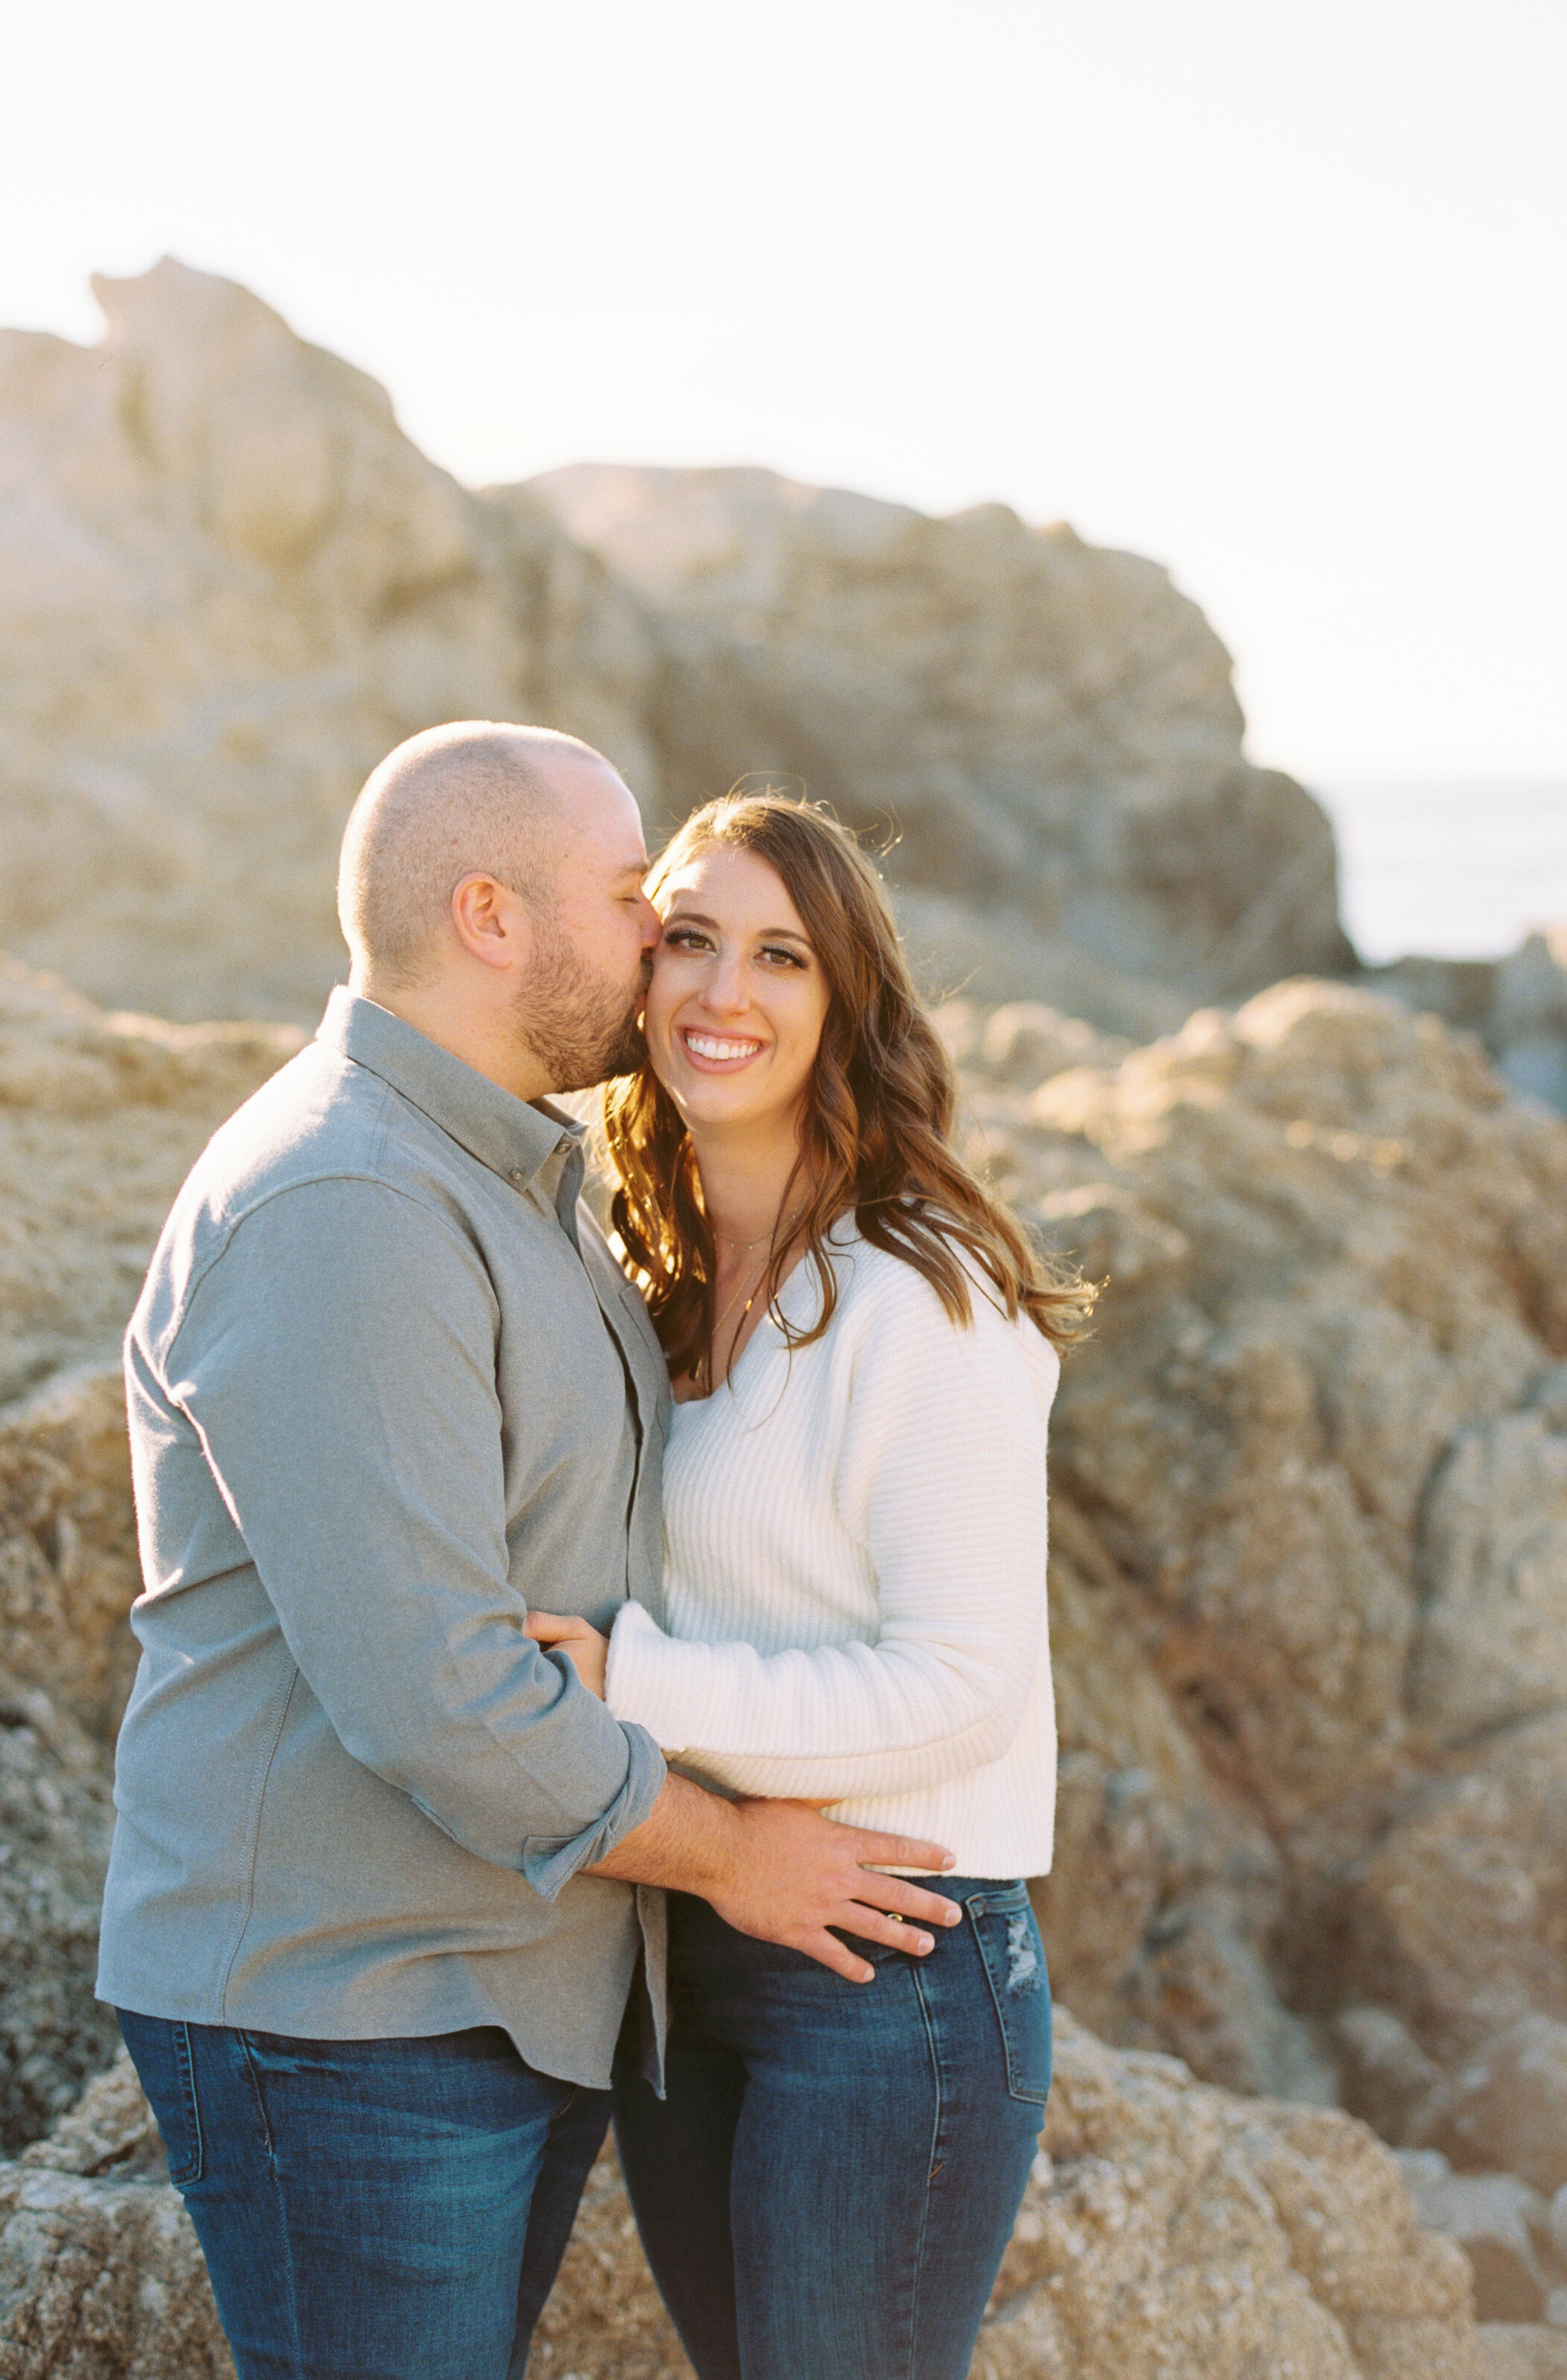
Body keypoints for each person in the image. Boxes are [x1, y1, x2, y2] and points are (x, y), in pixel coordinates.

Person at [95, 726, 958, 2380]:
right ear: (491, 916)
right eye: (634, 896)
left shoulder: (508, 1164)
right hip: (348, 2014)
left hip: (486, 1989)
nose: (658, 938)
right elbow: (433, 1684)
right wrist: (730, 1855)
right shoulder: (343, 1198)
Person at [527, 793, 1091, 2380]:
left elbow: (959, 1679)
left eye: (779, 954)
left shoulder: (923, 1292)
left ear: (843, 1000)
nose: (723, 993)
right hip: (686, 1927)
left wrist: (627, 1684)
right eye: (688, 938)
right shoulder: (643, 1264)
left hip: (887, 1970)